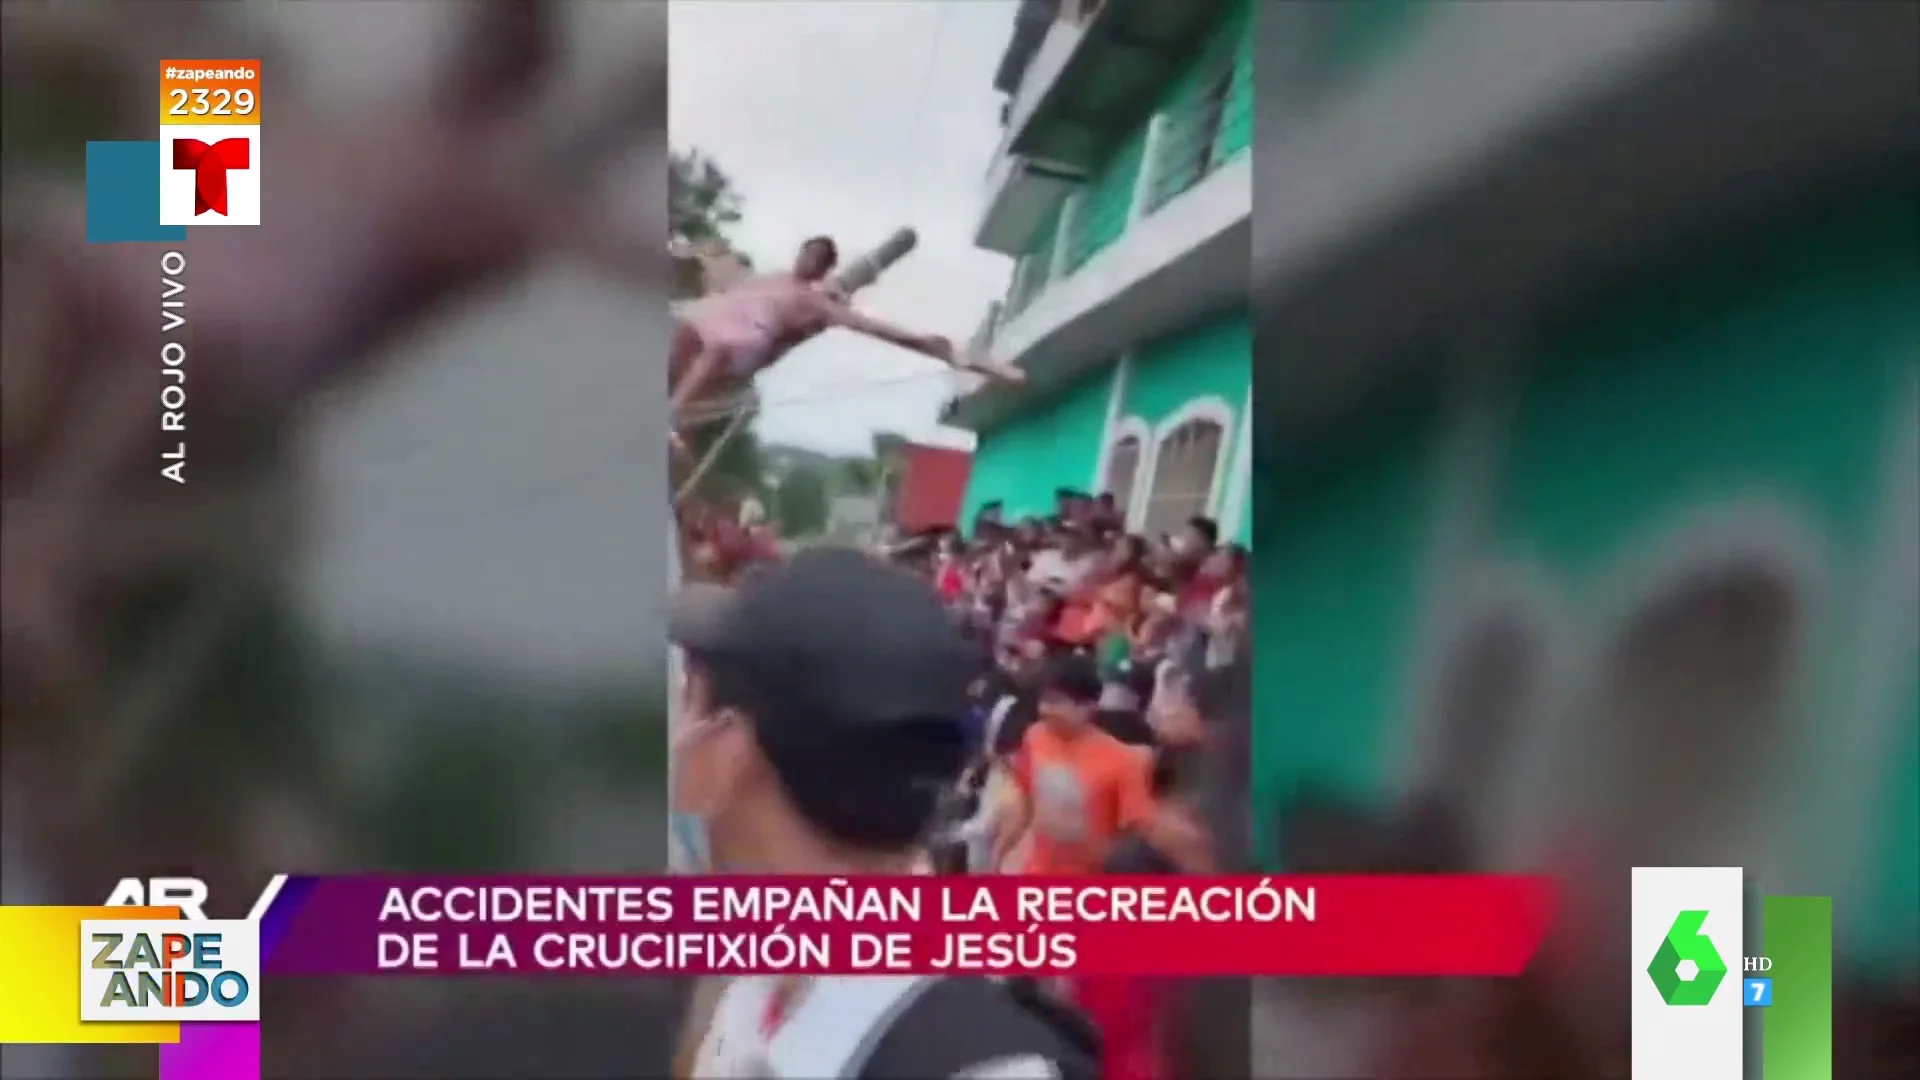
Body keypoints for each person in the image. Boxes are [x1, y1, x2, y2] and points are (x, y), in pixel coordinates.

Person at [667, 550, 1098, 1079]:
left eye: (690, 701)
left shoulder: (983, 1070)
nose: (675, 736)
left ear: (727, 747)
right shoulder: (767, 983)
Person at [669, 236, 1024, 432]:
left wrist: (957, 356)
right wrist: (691, 253)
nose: (807, 260)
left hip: (744, 344)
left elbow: (879, 330)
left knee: (717, 347)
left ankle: (672, 413)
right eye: (806, 252)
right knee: (687, 330)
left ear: (825, 268)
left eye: (816, 258)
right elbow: (720, 271)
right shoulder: (772, 278)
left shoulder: (819, 303)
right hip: (716, 325)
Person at [991, 653, 1162, 876]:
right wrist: (1000, 853)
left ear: (1089, 706)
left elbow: (1138, 839)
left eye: (1057, 702)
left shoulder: (1125, 760)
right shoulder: (1035, 737)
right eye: (1044, 700)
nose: (1046, 710)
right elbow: (1026, 804)